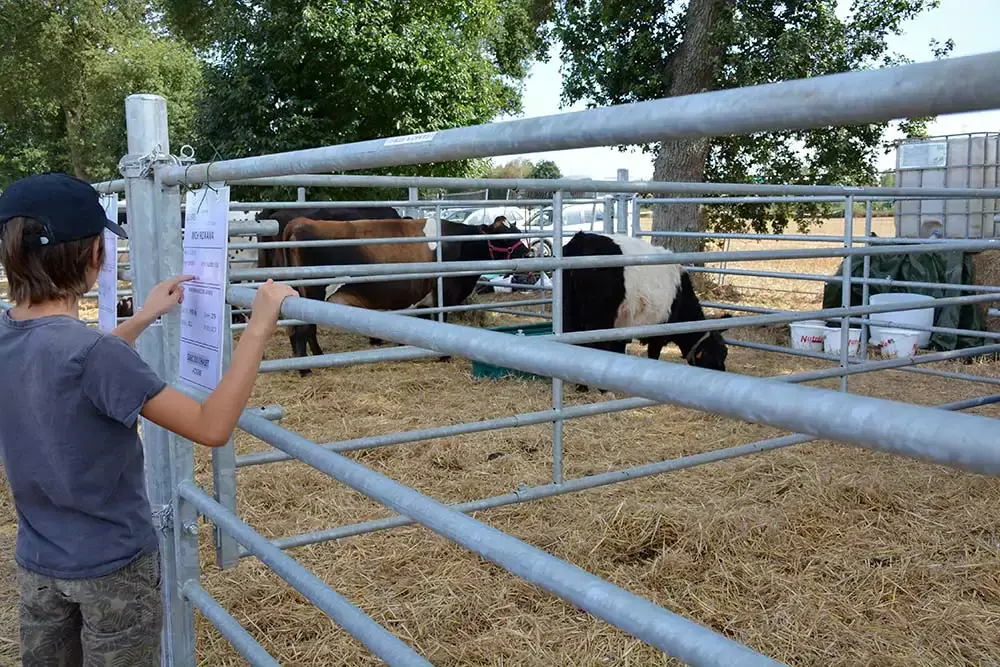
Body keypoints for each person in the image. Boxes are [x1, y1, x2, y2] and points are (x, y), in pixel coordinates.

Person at [0, 172, 297, 666]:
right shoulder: (94, 355)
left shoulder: (11, 334)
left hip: (38, 563)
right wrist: (260, 326)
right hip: (113, 570)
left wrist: (140, 319)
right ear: (93, 256)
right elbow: (210, 426)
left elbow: (66, 373)